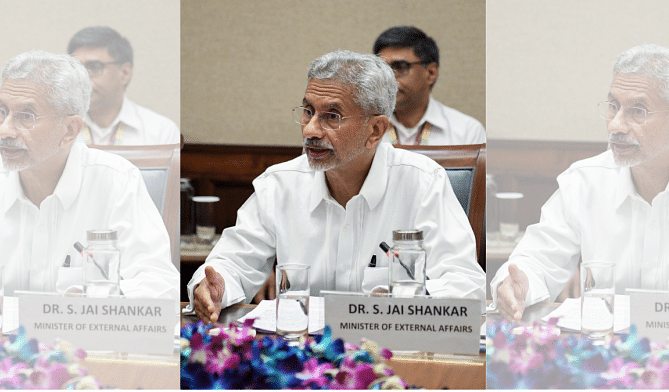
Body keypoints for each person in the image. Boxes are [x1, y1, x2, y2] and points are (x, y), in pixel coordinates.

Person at [188, 49, 485, 323]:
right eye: (307, 111)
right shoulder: (279, 184)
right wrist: (214, 288)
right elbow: (232, 263)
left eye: (332, 116)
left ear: (375, 130)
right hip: (301, 357)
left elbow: (465, 285)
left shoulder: (422, 182)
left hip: (392, 352)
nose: (310, 129)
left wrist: (397, 302)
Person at [0, 50, 179, 299]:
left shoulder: (116, 182)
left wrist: (90, 299)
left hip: (87, 336)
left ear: (70, 130)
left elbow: (160, 284)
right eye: (2, 111)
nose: (5, 130)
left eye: (26, 116)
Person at [491, 44, 669, 322]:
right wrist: (518, 284)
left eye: (638, 111)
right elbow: (537, 260)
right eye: (613, 106)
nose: (615, 126)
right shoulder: (585, 181)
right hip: (600, 354)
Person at [373, 26, 486, 146]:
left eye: (401, 67)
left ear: (431, 73)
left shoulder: (467, 131)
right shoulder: (365, 128)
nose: (389, 77)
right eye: (382, 68)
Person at [67, 26, 180, 145]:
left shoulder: (161, 132)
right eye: (76, 68)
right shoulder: (59, 127)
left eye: (95, 67)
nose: (83, 77)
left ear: (125, 73)